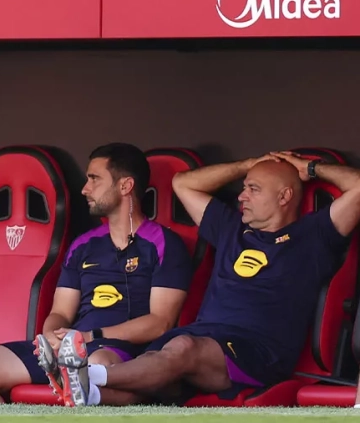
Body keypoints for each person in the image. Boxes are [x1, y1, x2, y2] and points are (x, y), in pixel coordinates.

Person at [56, 151, 360, 407]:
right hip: (198, 342)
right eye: (243, 187)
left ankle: (84, 374)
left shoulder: (313, 235)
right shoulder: (231, 228)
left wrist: (308, 168)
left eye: (253, 188)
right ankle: (90, 389)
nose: (242, 196)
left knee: (183, 347)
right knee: (150, 381)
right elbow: (183, 183)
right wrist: (249, 164)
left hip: (257, 352)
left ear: (284, 196)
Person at [0, 143, 193, 405]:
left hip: (118, 350)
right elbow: (60, 311)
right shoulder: (83, 245)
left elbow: (160, 322)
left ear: (125, 186)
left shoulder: (164, 244)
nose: (85, 189)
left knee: (93, 366)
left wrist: (91, 337)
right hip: (71, 347)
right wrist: (51, 336)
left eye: (94, 179)